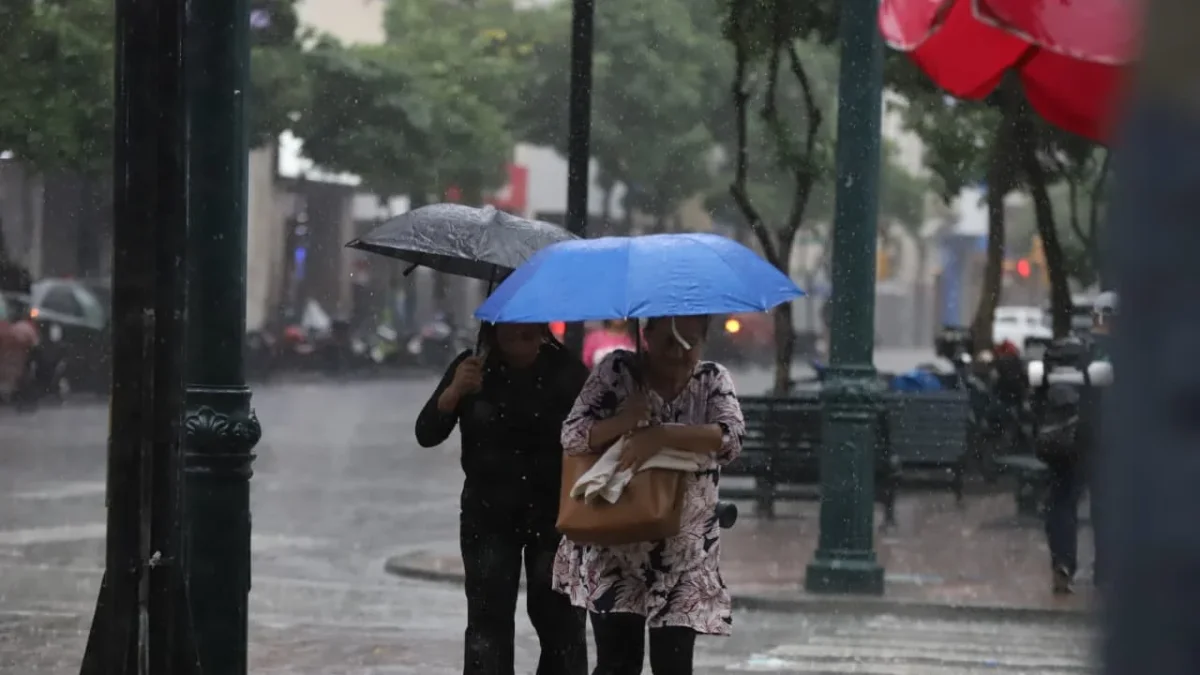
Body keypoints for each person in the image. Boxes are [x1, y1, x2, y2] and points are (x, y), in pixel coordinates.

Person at [552, 315, 745, 675]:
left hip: (683, 550)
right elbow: (572, 437)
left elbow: (730, 439)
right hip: (616, 541)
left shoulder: (712, 379)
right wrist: (624, 422)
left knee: (673, 665)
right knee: (618, 663)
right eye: (669, 343)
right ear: (647, 336)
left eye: (690, 344)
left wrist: (663, 435)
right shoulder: (617, 371)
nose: (679, 354)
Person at [415, 323, 590, 675]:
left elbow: (594, 438)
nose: (520, 334)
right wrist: (453, 394)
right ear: (494, 328)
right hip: (488, 515)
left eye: (529, 327)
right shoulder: (473, 366)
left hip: (555, 517)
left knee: (561, 625)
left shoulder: (567, 370)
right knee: (488, 625)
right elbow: (427, 433)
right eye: (511, 326)